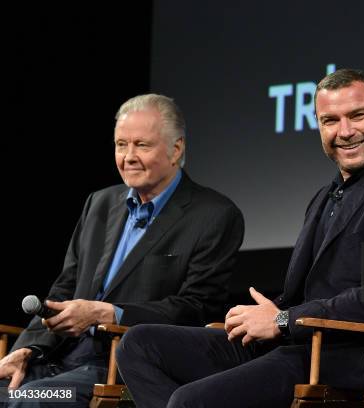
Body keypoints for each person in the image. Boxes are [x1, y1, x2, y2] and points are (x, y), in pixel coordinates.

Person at [116, 69, 364, 408]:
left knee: (189, 402)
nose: (345, 131)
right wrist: (262, 314)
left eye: (357, 115)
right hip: (297, 342)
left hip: (349, 352)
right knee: (140, 344)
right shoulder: (325, 196)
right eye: (330, 120)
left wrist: (281, 320)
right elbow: (306, 292)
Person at [0, 94, 244, 407]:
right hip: (57, 358)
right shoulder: (99, 203)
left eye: (142, 145)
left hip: (118, 367)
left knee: (31, 401)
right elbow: (64, 287)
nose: (128, 156)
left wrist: (108, 313)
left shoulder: (214, 215)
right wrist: (25, 351)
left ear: (176, 149)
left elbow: (196, 309)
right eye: (120, 144)